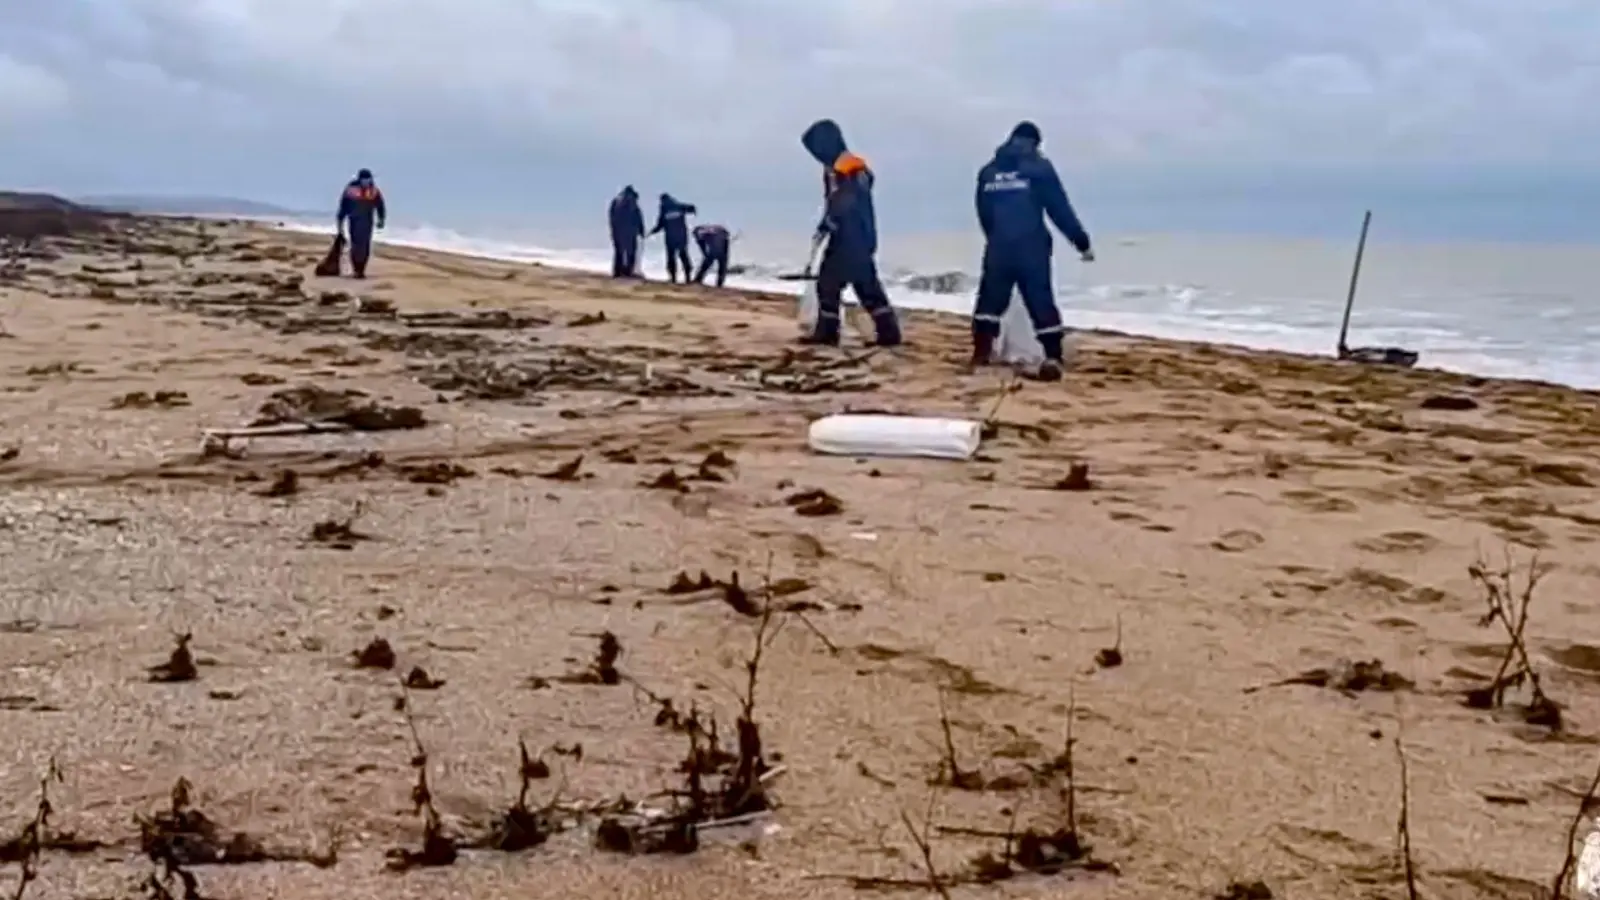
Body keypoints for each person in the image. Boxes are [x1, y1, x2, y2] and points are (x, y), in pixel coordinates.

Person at [971, 121, 1093, 381]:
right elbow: (1058, 208)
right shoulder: (1039, 169)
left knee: (989, 301)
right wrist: (1081, 242)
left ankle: (981, 354)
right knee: (1040, 300)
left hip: (998, 247)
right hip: (1031, 246)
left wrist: (996, 238)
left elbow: (983, 212)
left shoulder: (988, 172)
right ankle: (1053, 356)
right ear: (1035, 144)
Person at [798, 119, 901, 347]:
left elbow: (849, 197)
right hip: (852, 234)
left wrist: (832, 219)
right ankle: (889, 332)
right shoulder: (835, 168)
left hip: (853, 235)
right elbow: (835, 199)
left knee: (829, 282)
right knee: (865, 285)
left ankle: (828, 332)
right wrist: (826, 222)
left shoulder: (850, 167)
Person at [336, 168, 386, 279]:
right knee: (355, 245)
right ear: (360, 179)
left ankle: (361, 269)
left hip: (368, 222)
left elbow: (380, 206)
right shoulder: (351, 190)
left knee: (365, 246)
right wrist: (340, 221)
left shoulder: (373, 191)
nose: (366, 181)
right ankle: (356, 269)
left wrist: (381, 219)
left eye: (368, 179)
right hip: (354, 221)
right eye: (364, 179)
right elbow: (343, 206)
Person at [649, 193, 697, 283]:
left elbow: (660, 225)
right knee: (683, 255)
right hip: (682, 236)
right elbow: (691, 208)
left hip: (670, 238)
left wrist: (652, 232)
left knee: (671, 257)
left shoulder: (664, 210)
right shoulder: (679, 206)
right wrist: (694, 212)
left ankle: (673, 278)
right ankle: (688, 278)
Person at [608, 185, 645, 277]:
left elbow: (611, 217)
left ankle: (617, 271)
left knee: (619, 252)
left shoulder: (616, 202)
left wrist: (613, 230)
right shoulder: (632, 203)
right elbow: (638, 218)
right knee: (630, 252)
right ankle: (628, 271)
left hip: (617, 231)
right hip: (630, 232)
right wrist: (641, 231)